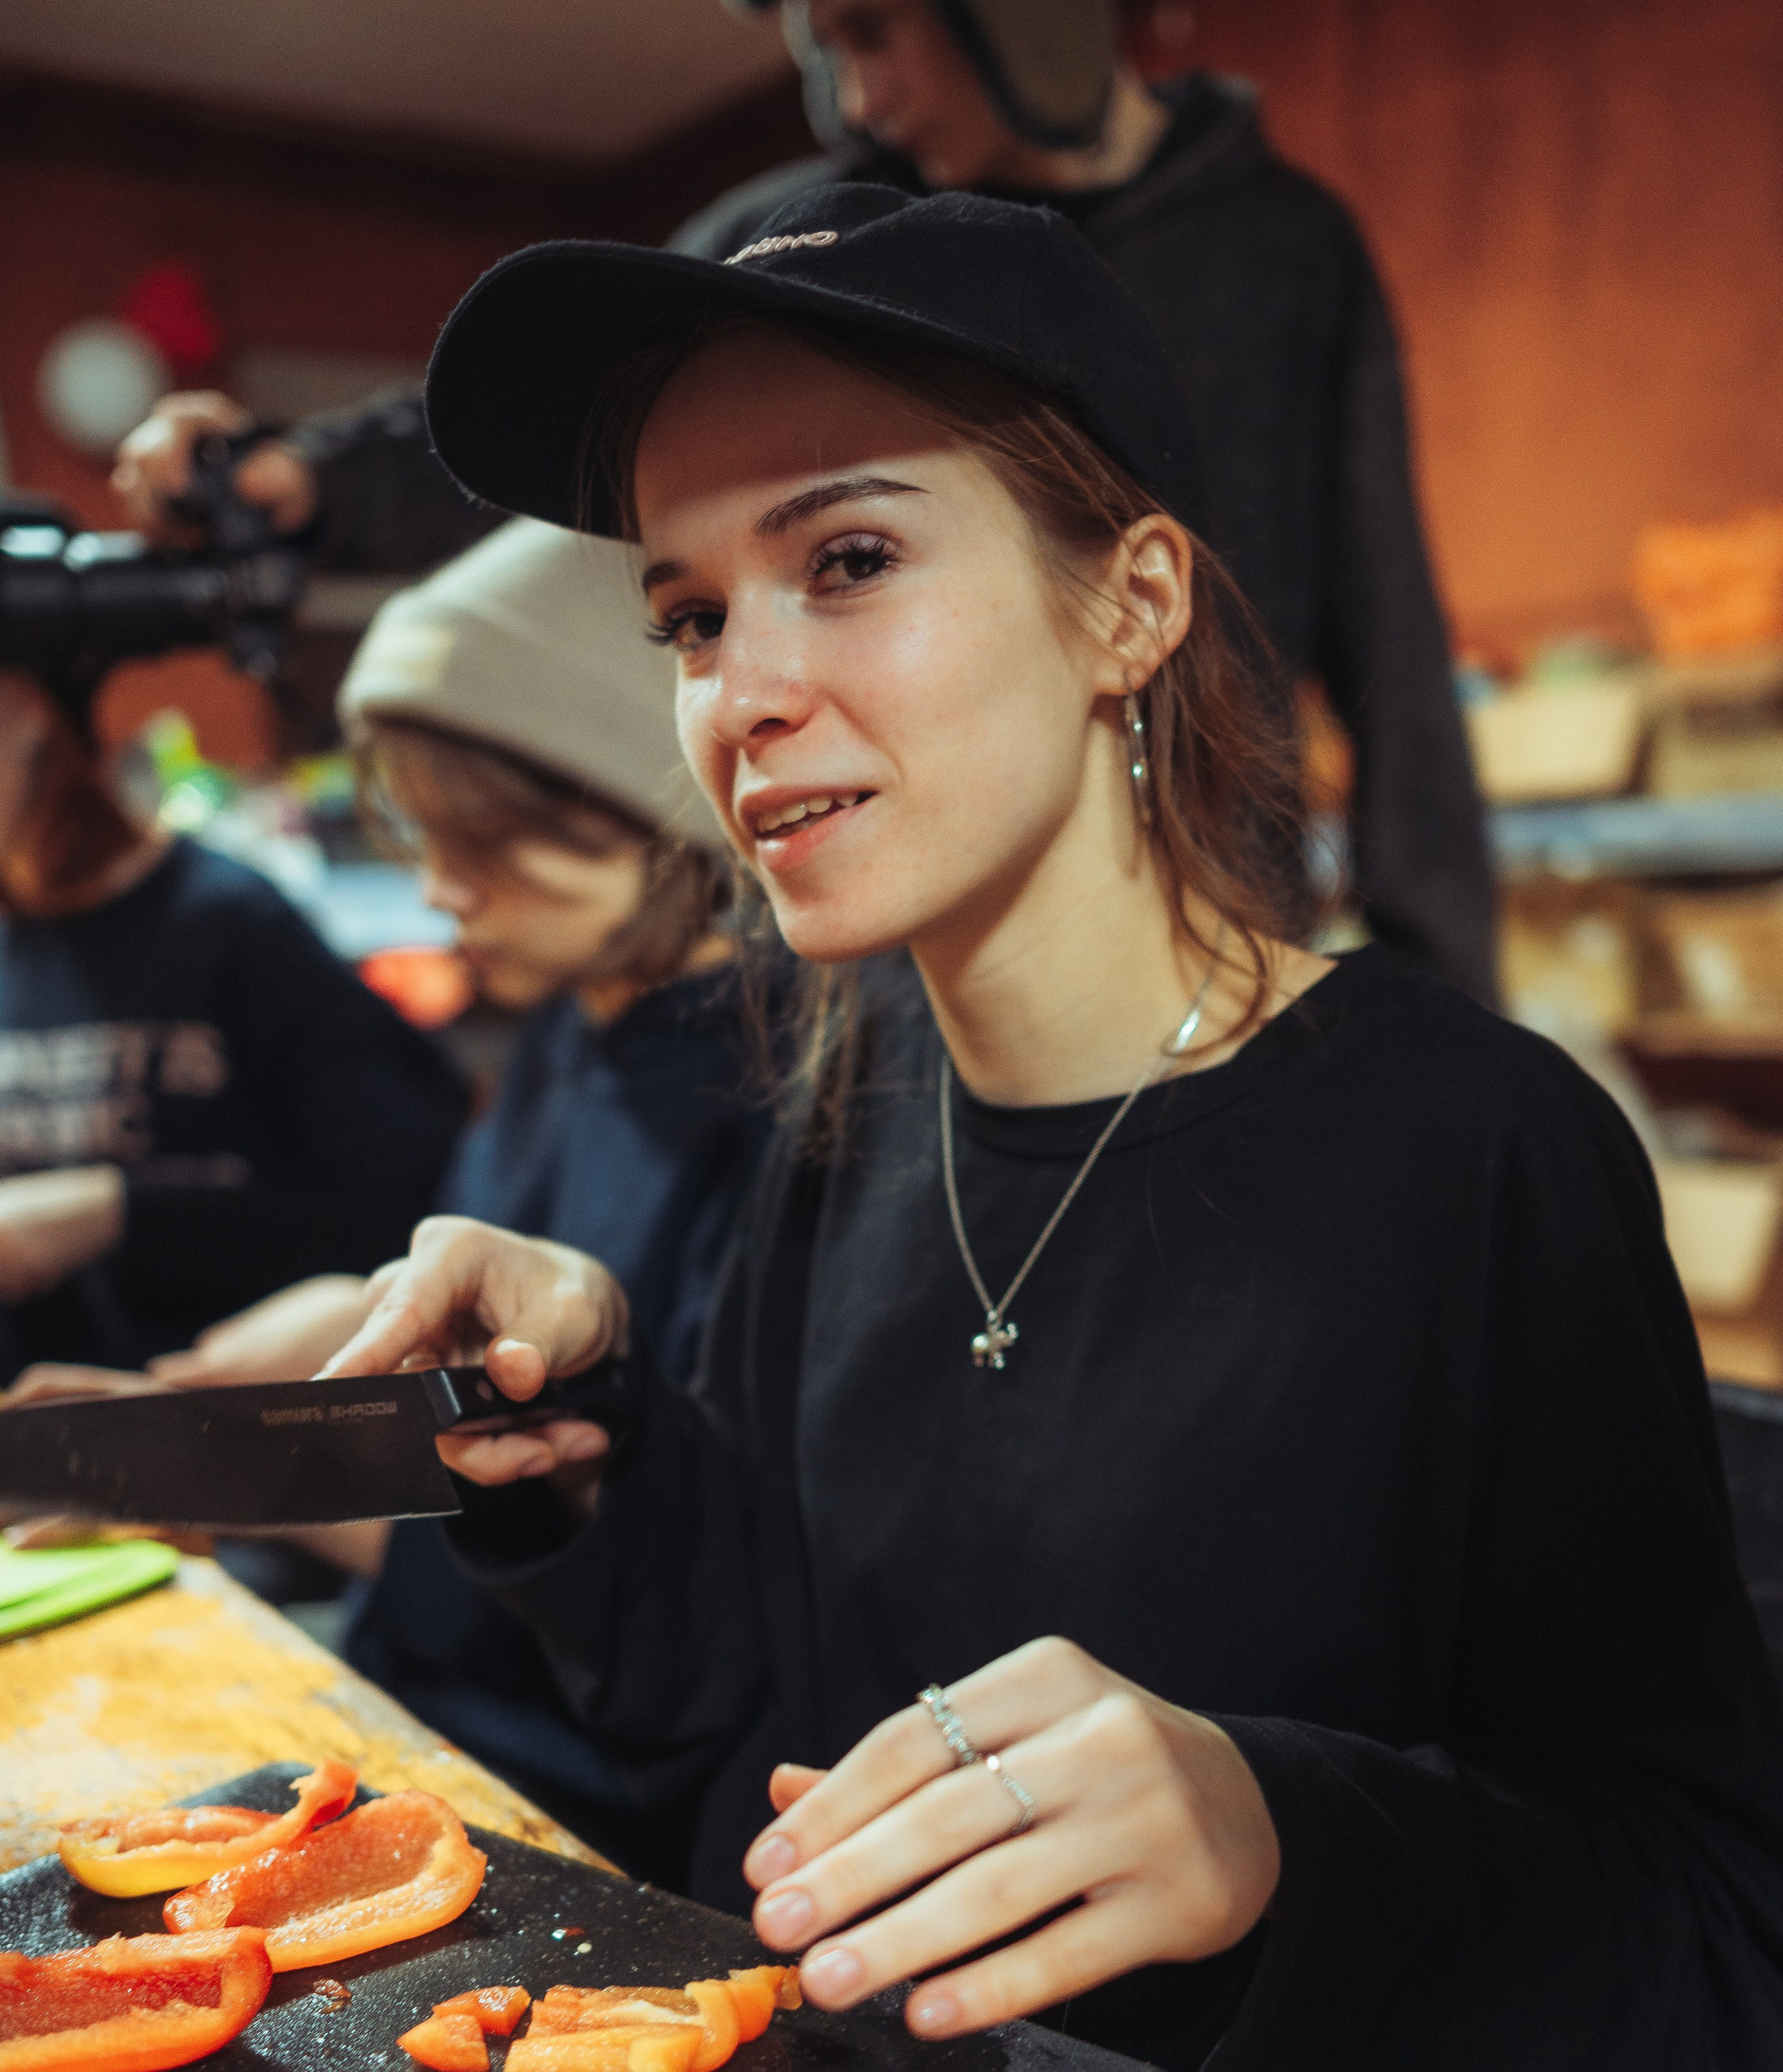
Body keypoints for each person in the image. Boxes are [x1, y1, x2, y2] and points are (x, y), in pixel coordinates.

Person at [325, 183, 1783, 2072]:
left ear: (1134, 603)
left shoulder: (1478, 1151)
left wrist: (1271, 1843)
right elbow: (775, 1748)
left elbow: (1718, 1962)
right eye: (691, 612)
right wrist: (599, 1471)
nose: (737, 693)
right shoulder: (842, 1115)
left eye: (851, 559)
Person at [109, 1, 1495, 1003]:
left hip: (1212, 919)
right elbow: (555, 443)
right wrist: (311, 479)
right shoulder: (813, 230)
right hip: (898, 990)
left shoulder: (1285, 250)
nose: (860, 101)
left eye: (873, 31)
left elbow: (1390, 634)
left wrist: (1433, 1000)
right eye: (691, 619)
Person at [147, 519, 768, 1866]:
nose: (436, 892)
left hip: (589, 1811)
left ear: (630, 808)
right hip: (423, 1730)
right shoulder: (564, 1031)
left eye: (478, 846)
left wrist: (260, 1475)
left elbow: (669, 1577)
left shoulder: (760, 1085)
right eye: (424, 838)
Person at [0, 671, 465, 1381]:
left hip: (237, 1424)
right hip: (48, 1433)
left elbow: (399, 1210)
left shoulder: (232, 927)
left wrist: (114, 1212)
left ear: (25, 712)